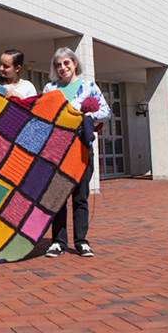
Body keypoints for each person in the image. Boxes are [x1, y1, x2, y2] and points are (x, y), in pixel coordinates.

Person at [42, 47, 111, 258]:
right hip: (57, 151)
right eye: (58, 64)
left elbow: (106, 111)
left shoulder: (89, 86)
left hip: (81, 149)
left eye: (66, 63)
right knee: (58, 198)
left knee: (80, 197)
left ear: (74, 63)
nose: (63, 68)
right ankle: (58, 242)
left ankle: (81, 241)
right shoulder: (50, 88)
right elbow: (42, 114)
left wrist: (89, 114)